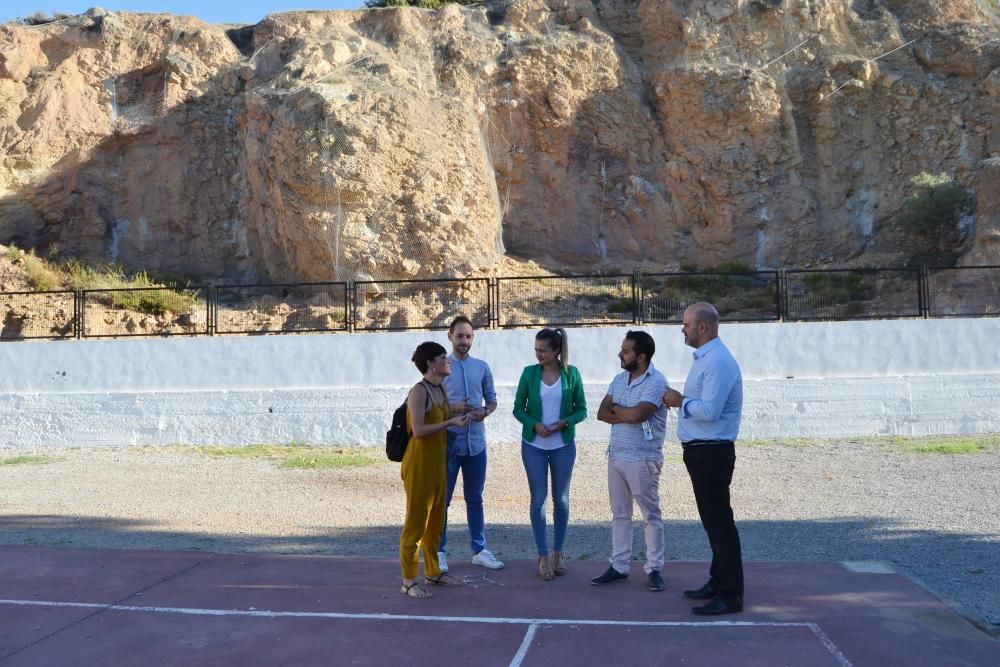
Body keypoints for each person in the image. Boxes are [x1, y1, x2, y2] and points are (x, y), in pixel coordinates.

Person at [662, 302, 745, 615]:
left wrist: (679, 401)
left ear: (703, 327)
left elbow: (710, 411)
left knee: (720, 523)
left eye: (685, 324)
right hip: (701, 450)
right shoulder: (706, 359)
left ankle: (730, 593)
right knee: (712, 522)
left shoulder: (719, 362)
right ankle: (718, 579)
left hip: (712, 450)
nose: (681, 329)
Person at [591, 331, 670, 592]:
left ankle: (655, 568)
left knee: (650, 515)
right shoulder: (618, 379)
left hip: (643, 459)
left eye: (626, 352)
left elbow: (639, 415)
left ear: (642, 356)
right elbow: (602, 413)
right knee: (620, 515)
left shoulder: (656, 382)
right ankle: (619, 566)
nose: (620, 355)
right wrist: (626, 413)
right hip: (616, 456)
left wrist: (620, 410)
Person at [512, 328, 588, 580]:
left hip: (563, 445)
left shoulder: (572, 373)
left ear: (556, 350)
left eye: (543, 350)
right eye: (536, 349)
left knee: (562, 500)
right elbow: (517, 409)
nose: (538, 354)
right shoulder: (528, 373)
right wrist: (534, 424)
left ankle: (558, 553)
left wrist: (564, 422)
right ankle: (542, 556)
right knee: (538, 500)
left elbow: (582, 410)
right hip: (533, 444)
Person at [399, 342, 472, 599]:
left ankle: (432, 571)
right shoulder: (418, 392)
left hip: (438, 465)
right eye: (443, 357)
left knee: (436, 523)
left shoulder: (439, 387)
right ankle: (409, 579)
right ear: (431, 363)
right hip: (420, 467)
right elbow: (418, 430)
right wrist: (450, 422)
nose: (448, 361)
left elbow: (441, 412)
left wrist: (459, 410)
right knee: (416, 524)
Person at [438, 316, 504, 572]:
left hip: (476, 444)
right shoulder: (441, 367)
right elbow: (431, 403)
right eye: (459, 336)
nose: (464, 341)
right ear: (450, 336)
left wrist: (484, 412)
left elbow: (493, 401)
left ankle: (479, 550)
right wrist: (451, 411)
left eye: (468, 336)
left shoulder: (482, 367)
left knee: (475, 498)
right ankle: (439, 550)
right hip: (449, 443)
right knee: (442, 500)